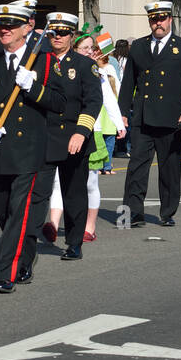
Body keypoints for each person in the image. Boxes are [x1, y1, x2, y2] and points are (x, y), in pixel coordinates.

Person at [0, 1, 66, 293]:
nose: (4, 29)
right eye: (2, 24)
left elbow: (60, 102)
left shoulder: (45, 60)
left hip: (30, 154)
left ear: (28, 28)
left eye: (12, 25)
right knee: (3, 211)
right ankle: (25, 256)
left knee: (18, 214)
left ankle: (6, 273)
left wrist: (34, 88)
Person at [118, 1, 181, 228]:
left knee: (170, 169)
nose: (158, 23)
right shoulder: (138, 47)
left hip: (172, 120)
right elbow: (128, 85)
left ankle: (167, 212)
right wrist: (123, 114)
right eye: (154, 19)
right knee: (136, 168)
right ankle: (132, 215)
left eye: (162, 19)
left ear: (170, 20)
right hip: (143, 120)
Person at [37, 12, 102, 261]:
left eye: (63, 32)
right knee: (38, 191)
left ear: (72, 36)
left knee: (73, 192)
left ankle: (74, 242)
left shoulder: (85, 65)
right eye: (53, 32)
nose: (57, 37)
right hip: (43, 135)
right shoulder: (38, 61)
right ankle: (30, 235)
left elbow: (93, 102)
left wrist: (81, 132)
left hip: (72, 136)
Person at [75, 29, 124, 240]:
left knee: (89, 182)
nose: (88, 52)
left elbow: (109, 98)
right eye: (83, 48)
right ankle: (54, 223)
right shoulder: (61, 66)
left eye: (90, 48)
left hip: (91, 130)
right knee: (59, 183)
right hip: (64, 132)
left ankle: (89, 227)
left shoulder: (100, 71)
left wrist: (119, 121)